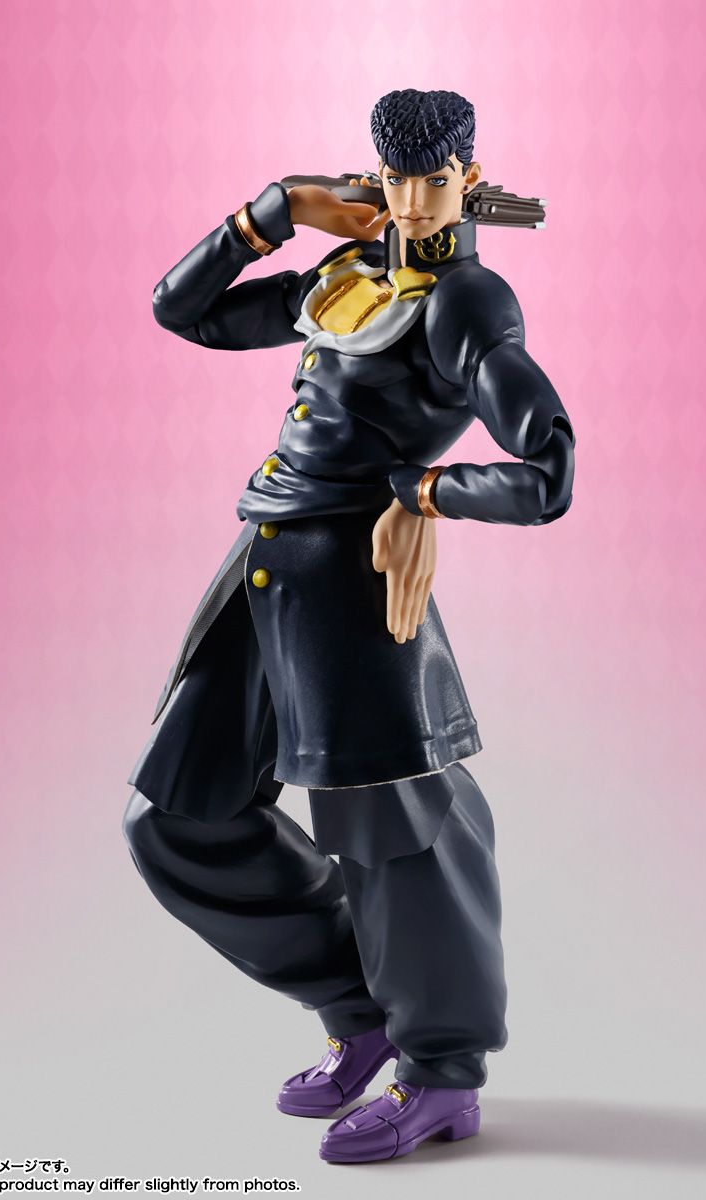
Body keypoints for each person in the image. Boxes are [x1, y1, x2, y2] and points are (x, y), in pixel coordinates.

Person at [121, 87, 576, 1164]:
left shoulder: (467, 301)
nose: (412, 201)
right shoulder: (349, 272)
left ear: (467, 179)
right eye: (397, 177)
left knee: (399, 836)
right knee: (176, 816)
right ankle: (360, 1010)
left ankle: (443, 1072)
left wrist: (423, 494)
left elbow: (547, 473)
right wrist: (274, 209)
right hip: (267, 558)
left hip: (356, 582)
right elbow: (183, 312)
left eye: (434, 179)